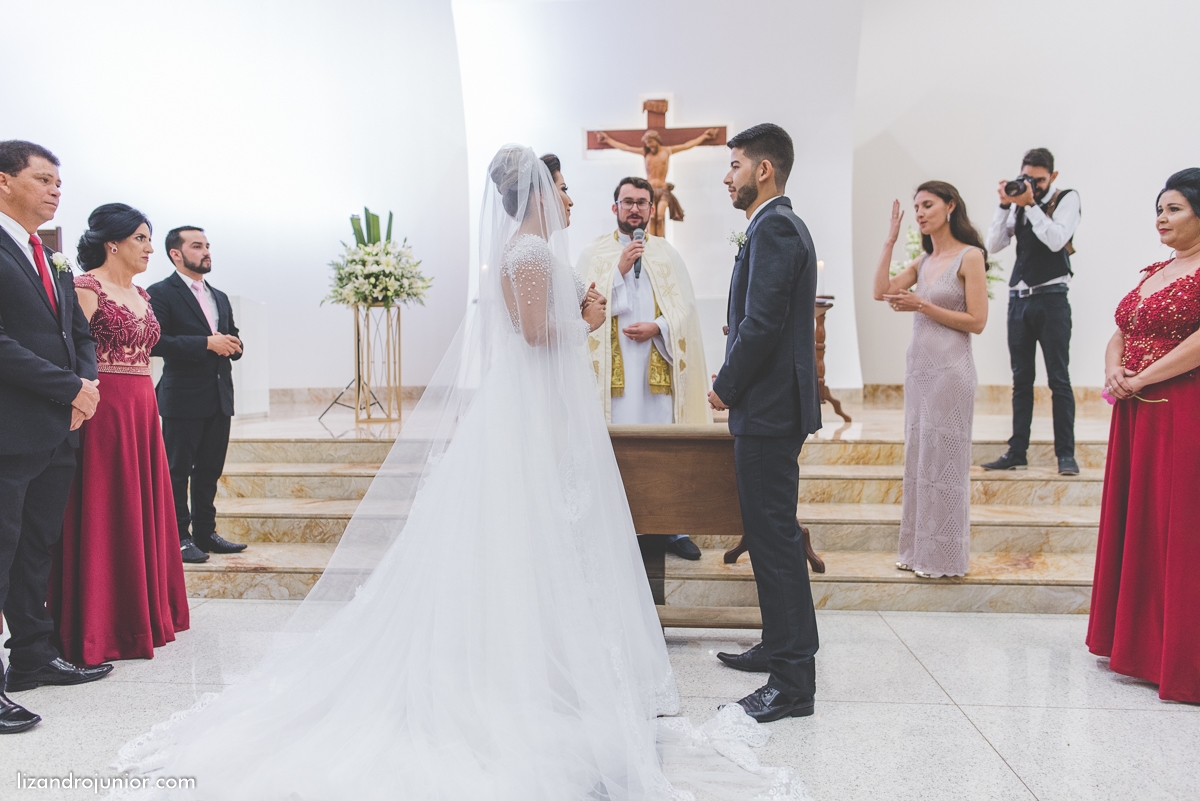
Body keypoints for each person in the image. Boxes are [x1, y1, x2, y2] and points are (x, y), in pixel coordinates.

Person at [111, 146, 809, 800]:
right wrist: (590, 316)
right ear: (537, 193)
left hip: (534, 410)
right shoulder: (531, 250)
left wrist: (583, 311)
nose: (568, 196)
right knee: (529, 529)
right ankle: (527, 673)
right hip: (529, 412)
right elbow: (538, 335)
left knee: (536, 536)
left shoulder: (527, 248)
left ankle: (546, 661)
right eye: (561, 186)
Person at [707, 124, 822, 722]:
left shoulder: (775, 226)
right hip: (774, 407)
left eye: (735, 166)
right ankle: (779, 648)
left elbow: (762, 322)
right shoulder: (775, 224)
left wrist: (726, 386)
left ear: (764, 170)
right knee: (769, 535)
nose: (728, 176)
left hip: (769, 409)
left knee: (775, 542)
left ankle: (793, 682)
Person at [0, 140, 112, 734]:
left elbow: (80, 334)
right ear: (3, 182)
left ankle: (33, 658)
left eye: (59, 182)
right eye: (43, 179)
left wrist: (85, 384)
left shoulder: (52, 256)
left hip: (57, 430)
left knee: (34, 548)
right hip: (10, 428)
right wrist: (68, 388)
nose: (55, 190)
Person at [49, 204, 190, 665]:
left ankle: (142, 615)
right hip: (103, 408)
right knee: (105, 506)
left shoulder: (145, 296)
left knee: (141, 503)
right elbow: (70, 350)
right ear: (113, 243)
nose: (150, 248)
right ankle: (100, 623)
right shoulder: (86, 287)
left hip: (143, 406)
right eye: (141, 239)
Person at [1087, 168, 1200, 704]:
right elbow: (1123, 329)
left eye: (1174, 208)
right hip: (1136, 411)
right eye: (1159, 207)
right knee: (1143, 522)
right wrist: (1115, 370)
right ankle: (1136, 645)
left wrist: (1141, 378)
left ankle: (1177, 654)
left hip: (1182, 409)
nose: (1161, 216)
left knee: (1177, 525)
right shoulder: (1157, 270)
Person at [577, 174, 711, 560]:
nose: (634, 208)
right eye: (627, 201)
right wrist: (616, 271)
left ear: (652, 210)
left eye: (642, 202)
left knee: (663, 449)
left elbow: (686, 315)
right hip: (612, 383)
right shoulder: (595, 255)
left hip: (657, 374)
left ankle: (672, 528)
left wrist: (659, 326)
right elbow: (582, 308)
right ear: (614, 207)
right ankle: (615, 525)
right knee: (619, 452)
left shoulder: (668, 255)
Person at [873, 183, 990, 579]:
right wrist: (889, 239)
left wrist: (922, 303)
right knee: (920, 460)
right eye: (916, 207)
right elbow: (880, 291)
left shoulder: (969, 256)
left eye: (928, 205)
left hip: (951, 371)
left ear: (950, 206)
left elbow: (977, 321)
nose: (920, 212)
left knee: (945, 463)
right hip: (919, 371)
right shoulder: (924, 260)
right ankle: (916, 550)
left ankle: (943, 557)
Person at [147, 227, 246, 563]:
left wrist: (234, 346)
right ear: (176, 253)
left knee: (209, 470)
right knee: (177, 471)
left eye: (207, 246)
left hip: (219, 396)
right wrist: (207, 343)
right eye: (197, 246)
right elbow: (156, 342)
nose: (206, 252)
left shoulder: (218, 295)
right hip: (182, 398)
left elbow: (231, 335)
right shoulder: (160, 293)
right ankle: (179, 537)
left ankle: (206, 532)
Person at [982, 147, 1082, 475]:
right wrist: (1004, 204)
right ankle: (1017, 451)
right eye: (1028, 178)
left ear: (1052, 177)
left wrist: (1032, 205)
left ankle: (1065, 455)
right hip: (1018, 299)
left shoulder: (1066, 198)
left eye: (1039, 180)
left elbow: (1056, 240)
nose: (1033, 185)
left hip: (1052, 298)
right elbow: (995, 245)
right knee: (1021, 380)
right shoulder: (1019, 202)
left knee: (1059, 379)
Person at [594, 127, 719, 236]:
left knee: (659, 217)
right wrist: (607, 140)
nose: (649, 146)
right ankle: (651, 242)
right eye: (647, 144)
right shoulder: (645, 153)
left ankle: (660, 242)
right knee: (651, 217)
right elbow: (626, 148)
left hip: (663, 189)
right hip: (650, 191)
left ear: (657, 140)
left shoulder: (667, 150)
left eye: (651, 142)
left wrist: (704, 136)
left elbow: (687, 145)